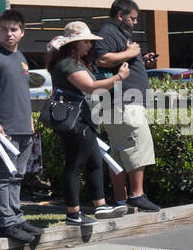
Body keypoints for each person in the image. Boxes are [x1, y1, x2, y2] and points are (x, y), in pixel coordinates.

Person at [46, 22, 130, 226]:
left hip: (84, 120)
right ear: (74, 44)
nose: (89, 45)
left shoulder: (75, 62)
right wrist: (119, 77)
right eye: (85, 41)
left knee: (93, 162)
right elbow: (90, 86)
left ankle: (99, 205)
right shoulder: (67, 63)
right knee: (74, 166)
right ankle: (73, 213)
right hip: (76, 122)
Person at [0, 8, 41, 244]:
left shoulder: (21, 58)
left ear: (22, 32)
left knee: (17, 175)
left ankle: (17, 217)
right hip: (4, 129)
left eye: (14, 29)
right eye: (4, 29)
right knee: (4, 177)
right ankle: (6, 223)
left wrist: (30, 121)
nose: (9, 33)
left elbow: (22, 93)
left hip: (23, 127)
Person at [93, 0, 160, 213]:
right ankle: (137, 195)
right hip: (124, 103)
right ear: (120, 15)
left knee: (120, 153)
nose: (134, 22)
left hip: (120, 103)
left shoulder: (118, 34)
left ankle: (121, 201)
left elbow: (116, 60)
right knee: (137, 147)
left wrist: (140, 60)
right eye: (132, 18)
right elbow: (102, 59)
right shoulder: (109, 32)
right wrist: (131, 53)